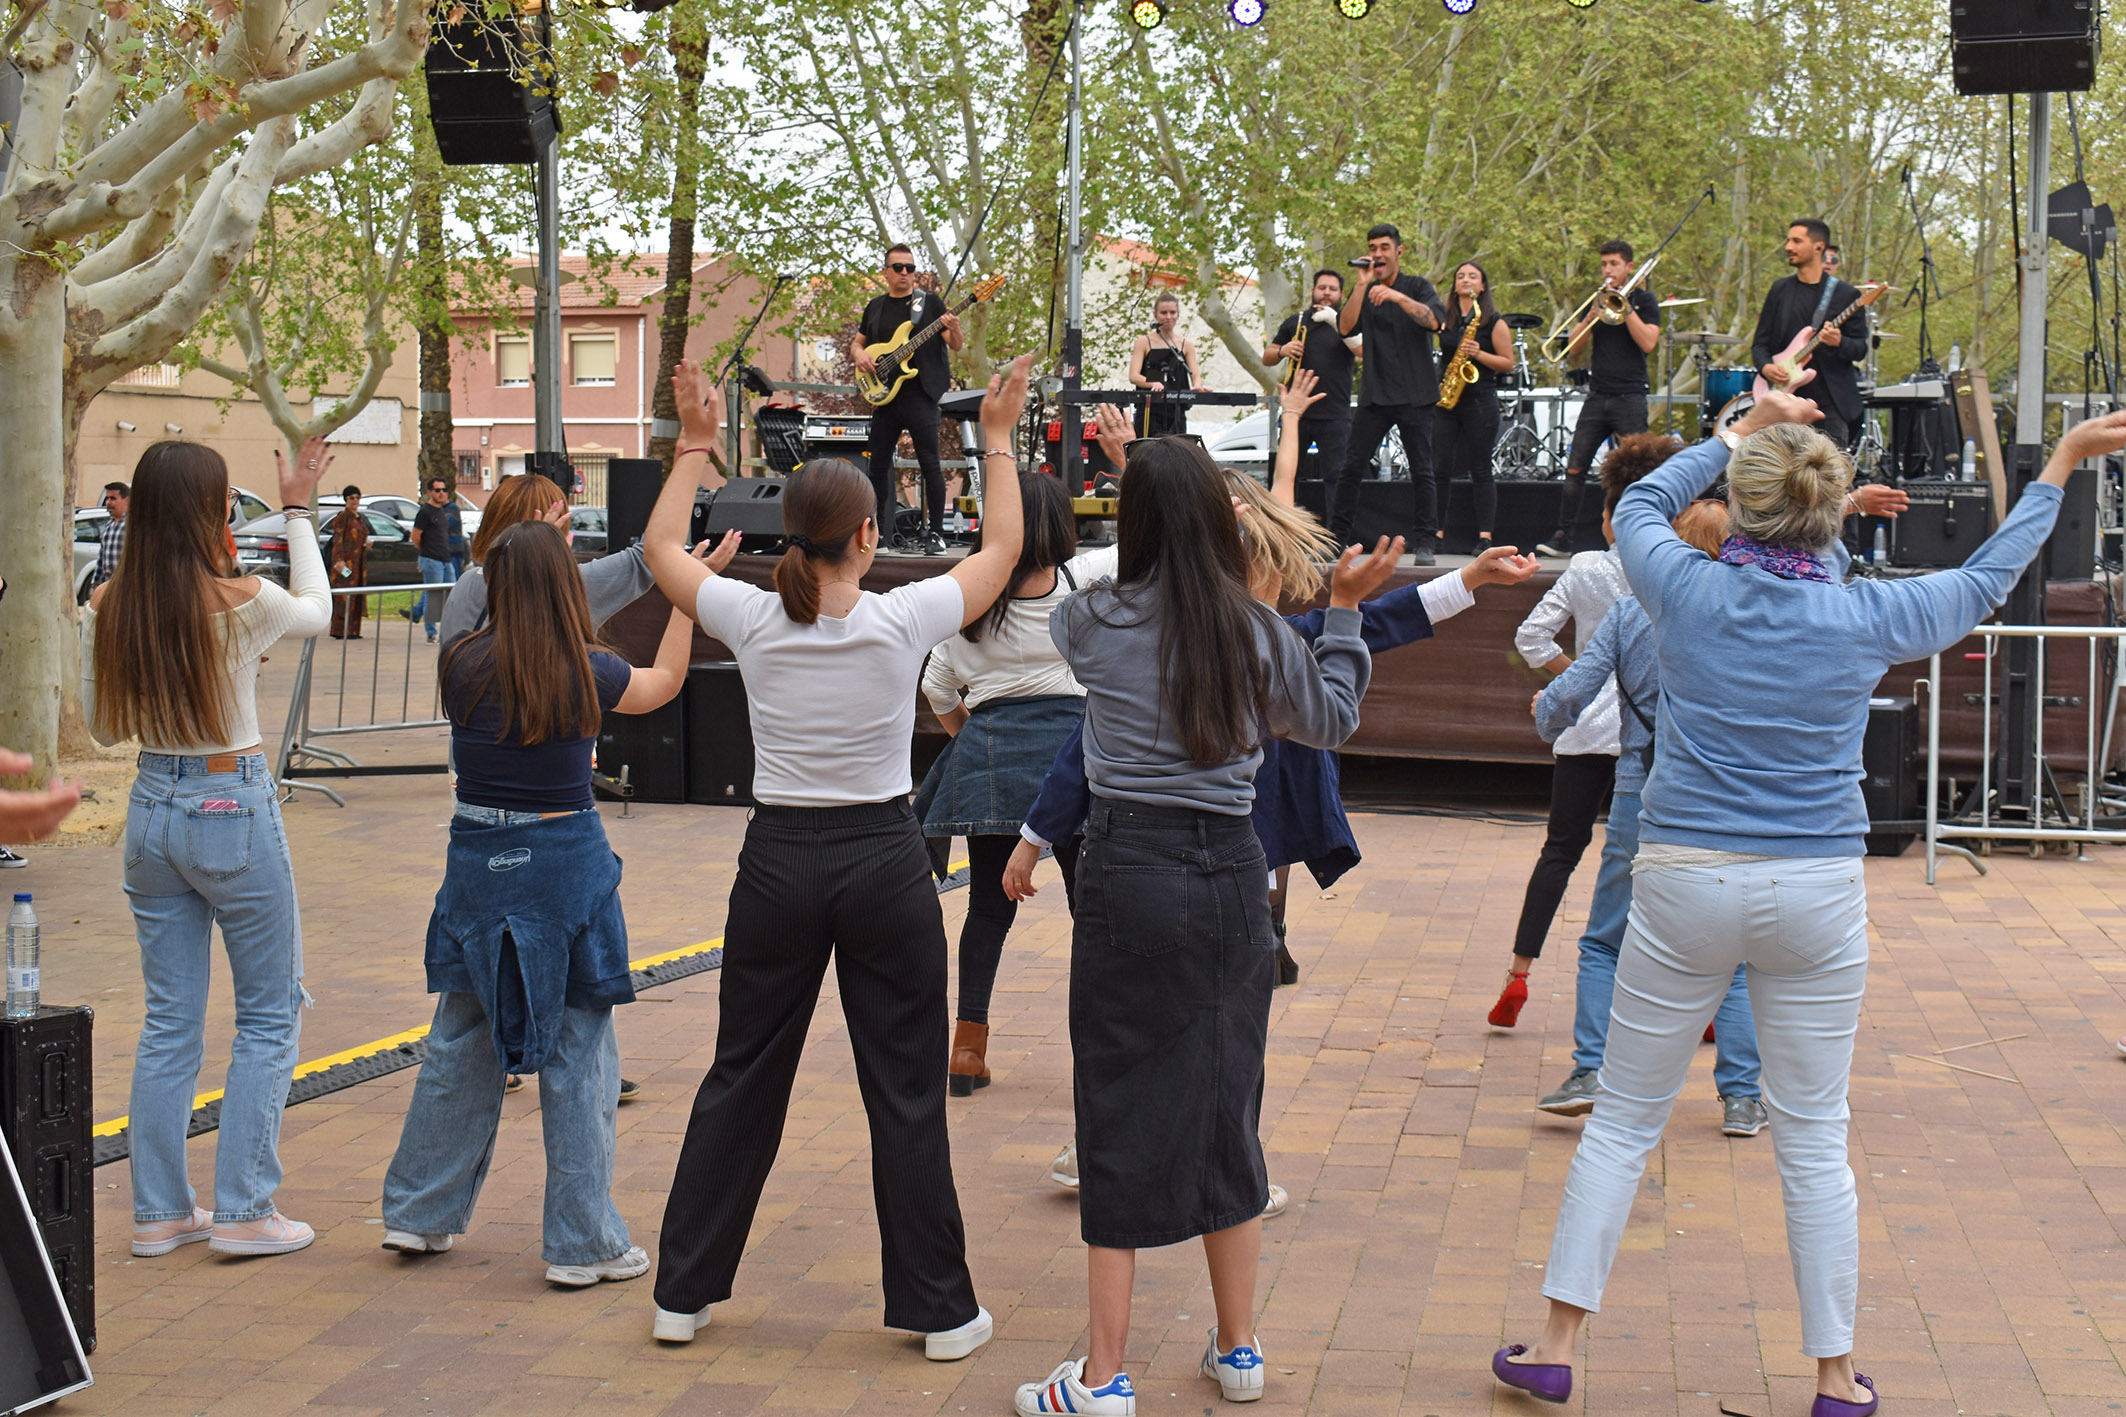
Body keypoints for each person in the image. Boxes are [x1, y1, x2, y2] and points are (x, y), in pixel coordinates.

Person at [1493, 395, 2126, 1417]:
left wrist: (1733, 429)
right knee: (1812, 1137)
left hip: (1685, 874)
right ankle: (1833, 1376)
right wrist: (2056, 461)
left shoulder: (1681, 590)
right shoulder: (1866, 613)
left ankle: (1557, 1345)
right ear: (1834, 517)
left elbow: (1642, 501)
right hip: (1815, 888)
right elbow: (1986, 575)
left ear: (1739, 504)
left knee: (1621, 1122)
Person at [639, 354, 1032, 1358]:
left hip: (777, 859)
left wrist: (692, 449)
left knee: (741, 1073)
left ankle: (681, 1295)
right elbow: (1002, 547)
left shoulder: (749, 613)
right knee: (902, 1082)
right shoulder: (903, 616)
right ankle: (939, 1311)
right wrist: (991, 437)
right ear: (867, 535)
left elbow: (657, 554)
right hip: (878, 859)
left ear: (788, 533)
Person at [1006, 429, 1398, 1417]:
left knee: (1117, 1098)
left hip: (1126, 864)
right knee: (1230, 1100)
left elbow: (1097, 591)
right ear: (1224, 525)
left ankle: (1102, 1376)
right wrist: (1342, 615)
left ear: (1133, 522)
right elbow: (1331, 719)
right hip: (1231, 869)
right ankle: (1237, 1349)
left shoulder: (1087, 621)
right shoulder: (1256, 632)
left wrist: (1154, 482)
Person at [378, 519, 704, 1285]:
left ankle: (418, 1213)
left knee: (460, 1036)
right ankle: (580, 1241)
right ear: (565, 585)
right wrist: (688, 601)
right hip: (564, 863)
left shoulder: (460, 663)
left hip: (474, 862)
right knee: (580, 1048)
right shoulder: (586, 669)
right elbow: (664, 685)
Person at [82, 435, 333, 1258]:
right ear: (213, 507)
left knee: (169, 1023)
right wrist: (297, 510)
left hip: (150, 805)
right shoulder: (244, 599)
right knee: (267, 1012)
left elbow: (102, 727)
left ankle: (160, 1211)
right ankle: (245, 1209)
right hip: (232, 798)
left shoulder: (108, 604)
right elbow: (320, 613)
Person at [1530, 472, 1766, 1136]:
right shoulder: (1751, 612)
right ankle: (1743, 1096)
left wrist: (1546, 715)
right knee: (1735, 954)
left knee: (1605, 940)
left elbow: (1571, 692)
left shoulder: (1635, 611)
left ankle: (1590, 1069)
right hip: (1729, 803)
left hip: (1645, 795)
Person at [914, 471, 1117, 1097]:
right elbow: (1152, 536)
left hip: (994, 756)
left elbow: (937, 687)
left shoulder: (966, 604)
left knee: (987, 909)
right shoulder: (1087, 585)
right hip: (1080, 760)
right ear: (1062, 524)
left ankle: (967, 1048)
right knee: (1093, 910)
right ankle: (1102, 1046)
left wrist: (975, 740)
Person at [1491, 465, 1634, 1027]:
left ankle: (1518, 975)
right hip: (1650, 734)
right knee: (1655, 862)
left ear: (1607, 522)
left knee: (1559, 853)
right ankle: (1704, 1000)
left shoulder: (1588, 567)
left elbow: (1531, 636)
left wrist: (1580, 679)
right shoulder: (1679, 569)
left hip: (1586, 730)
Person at [1333, 223, 1450, 564]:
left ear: (1399, 251)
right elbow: (1344, 327)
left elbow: (1434, 321)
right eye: (1373, 248)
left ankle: (1426, 542)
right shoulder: (1365, 289)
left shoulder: (1417, 286)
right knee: (1351, 467)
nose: (1378, 254)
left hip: (1416, 396)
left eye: (1385, 247)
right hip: (1375, 396)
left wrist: (1397, 296)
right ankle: (1337, 538)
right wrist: (1360, 285)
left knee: (1422, 470)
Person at [1538, 240, 1661, 558]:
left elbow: (1648, 342)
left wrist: (1626, 307)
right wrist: (1592, 314)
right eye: (1604, 264)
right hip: (1598, 395)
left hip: (1630, 396)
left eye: (1614, 264)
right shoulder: (1598, 301)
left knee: (1634, 470)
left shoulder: (1645, 300)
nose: (1607, 270)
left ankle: (1634, 539)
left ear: (1629, 267)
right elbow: (1573, 350)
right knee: (1575, 467)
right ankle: (1564, 537)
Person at [853, 243, 963, 555]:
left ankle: (937, 534)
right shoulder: (875, 306)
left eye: (910, 268)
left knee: (930, 463)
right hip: (884, 396)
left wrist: (955, 328)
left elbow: (954, 345)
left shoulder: (930, 304)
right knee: (877, 466)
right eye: (899, 267)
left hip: (920, 392)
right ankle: (879, 536)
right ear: (886, 272)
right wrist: (860, 356)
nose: (905, 273)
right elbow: (857, 344)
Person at [1750, 218, 1869, 449]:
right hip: (1783, 402)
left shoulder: (1846, 295)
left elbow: (1860, 349)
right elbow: (1760, 344)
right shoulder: (1780, 290)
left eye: (1796, 241)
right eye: (1788, 240)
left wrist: (1839, 341)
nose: (1788, 247)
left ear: (1819, 247)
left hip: (1828, 407)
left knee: (1830, 478)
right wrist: (1766, 368)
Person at [1433, 261, 1514, 549]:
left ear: (1482, 286)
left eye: (1472, 276)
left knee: (1480, 469)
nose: (1465, 280)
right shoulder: (1446, 319)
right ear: (1455, 285)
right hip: (1448, 399)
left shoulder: (1493, 321)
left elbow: (1508, 363)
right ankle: (1436, 534)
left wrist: (1479, 353)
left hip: (1480, 400)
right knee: (1439, 468)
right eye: (1460, 276)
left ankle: (1485, 537)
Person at [1263, 270, 1360, 485]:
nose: (1327, 293)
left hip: (1335, 414)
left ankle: (1334, 521)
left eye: (1332, 289)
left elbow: (1362, 352)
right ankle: (1283, 519)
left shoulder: (1347, 323)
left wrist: (1337, 323)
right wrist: (1283, 350)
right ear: (1313, 290)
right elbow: (1267, 357)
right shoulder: (1296, 321)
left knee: (1337, 479)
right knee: (1287, 476)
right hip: (1297, 414)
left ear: (1341, 294)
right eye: (1322, 288)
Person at [1129, 292, 1210, 438]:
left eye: (1172, 312)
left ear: (1178, 315)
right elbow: (1134, 376)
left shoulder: (1186, 344)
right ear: (1155, 315)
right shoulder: (1143, 341)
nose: (1168, 317)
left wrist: (1197, 386)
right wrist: (1152, 383)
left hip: (1176, 410)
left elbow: (1195, 375)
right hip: (1150, 409)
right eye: (1163, 313)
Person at [406, 477, 463, 643]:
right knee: (432, 596)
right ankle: (431, 633)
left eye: (444, 490)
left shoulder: (442, 511)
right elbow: (415, 536)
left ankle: (450, 630)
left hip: (446, 559)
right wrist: (425, 555)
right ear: (430, 492)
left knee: (451, 595)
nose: (441, 493)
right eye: (437, 490)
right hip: (432, 559)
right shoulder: (425, 512)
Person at [326, 486, 370, 639]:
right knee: (343, 597)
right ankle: (339, 630)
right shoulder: (343, 517)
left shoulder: (360, 518)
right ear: (346, 500)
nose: (355, 501)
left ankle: (353, 630)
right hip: (345, 563)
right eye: (352, 498)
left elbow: (361, 535)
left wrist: (366, 543)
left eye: (357, 498)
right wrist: (338, 560)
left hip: (358, 564)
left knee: (356, 596)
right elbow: (337, 539)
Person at [92, 481, 129, 589]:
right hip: (107, 585)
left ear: (126, 499)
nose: (108, 503)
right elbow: (101, 559)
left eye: (113, 499)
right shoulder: (108, 526)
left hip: (125, 586)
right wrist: (95, 585)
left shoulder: (133, 526)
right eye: (107, 499)